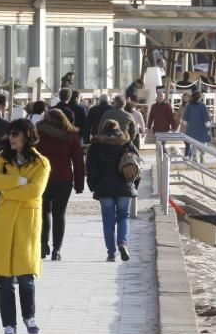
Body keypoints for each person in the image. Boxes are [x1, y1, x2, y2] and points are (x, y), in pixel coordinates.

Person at [0, 119, 50, 334]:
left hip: (26, 221)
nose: (11, 138)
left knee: (25, 275)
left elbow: (34, 192)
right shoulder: (2, 158)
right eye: (10, 133)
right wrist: (18, 180)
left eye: (16, 134)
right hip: (5, 220)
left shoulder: (41, 163)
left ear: (27, 135)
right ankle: (9, 326)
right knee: (5, 278)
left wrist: (9, 190)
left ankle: (29, 317)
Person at [86, 119, 139, 263]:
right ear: (118, 128)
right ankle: (122, 243)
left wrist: (92, 186)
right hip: (124, 185)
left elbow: (90, 169)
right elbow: (136, 163)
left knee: (108, 221)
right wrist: (135, 184)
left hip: (104, 188)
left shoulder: (96, 145)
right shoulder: (126, 142)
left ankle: (111, 252)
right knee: (124, 217)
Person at [36, 109, 85, 261]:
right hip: (64, 179)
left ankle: (43, 245)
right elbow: (78, 162)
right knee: (59, 214)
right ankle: (57, 249)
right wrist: (79, 184)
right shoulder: (71, 136)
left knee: (43, 213)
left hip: (42, 179)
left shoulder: (39, 134)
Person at [181, 91, 212, 162]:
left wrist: (185, 121)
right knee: (203, 142)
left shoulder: (189, 105)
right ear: (200, 97)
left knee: (193, 143)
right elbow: (205, 115)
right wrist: (207, 122)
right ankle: (202, 155)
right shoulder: (202, 105)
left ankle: (194, 157)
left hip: (192, 126)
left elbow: (186, 115)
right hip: (202, 127)